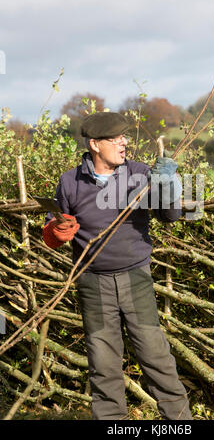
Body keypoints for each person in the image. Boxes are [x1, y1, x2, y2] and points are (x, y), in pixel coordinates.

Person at [42, 112, 193, 420]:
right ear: (95, 145)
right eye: (116, 139)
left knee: (156, 356)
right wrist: (57, 232)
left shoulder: (139, 173)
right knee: (103, 363)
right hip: (92, 284)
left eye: (125, 137)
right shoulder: (70, 181)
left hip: (135, 278)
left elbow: (172, 217)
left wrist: (169, 187)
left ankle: (179, 423)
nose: (124, 143)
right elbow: (51, 231)